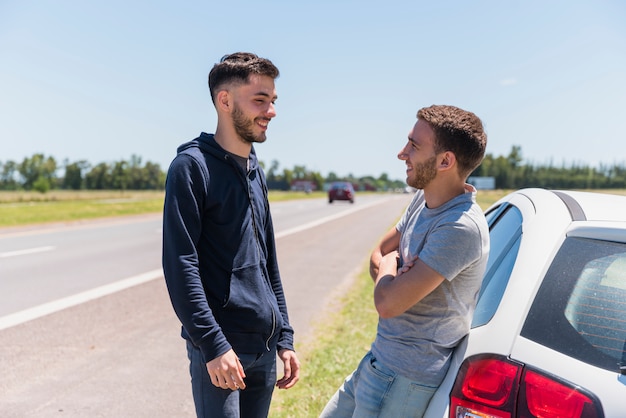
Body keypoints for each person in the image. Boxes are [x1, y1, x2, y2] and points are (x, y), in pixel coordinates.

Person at [320, 104, 490, 418]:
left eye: (414, 145)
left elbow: (387, 302)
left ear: (445, 161)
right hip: (378, 360)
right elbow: (378, 253)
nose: (402, 153)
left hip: (405, 379)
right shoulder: (422, 199)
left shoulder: (459, 227)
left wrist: (391, 266)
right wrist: (393, 273)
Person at [162, 52, 300, 418]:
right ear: (225, 101)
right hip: (222, 352)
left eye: (272, 101)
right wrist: (212, 345)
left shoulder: (256, 169)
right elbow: (181, 264)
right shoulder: (191, 168)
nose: (270, 111)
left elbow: (267, 261)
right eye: (260, 100)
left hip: (264, 348)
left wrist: (284, 336)